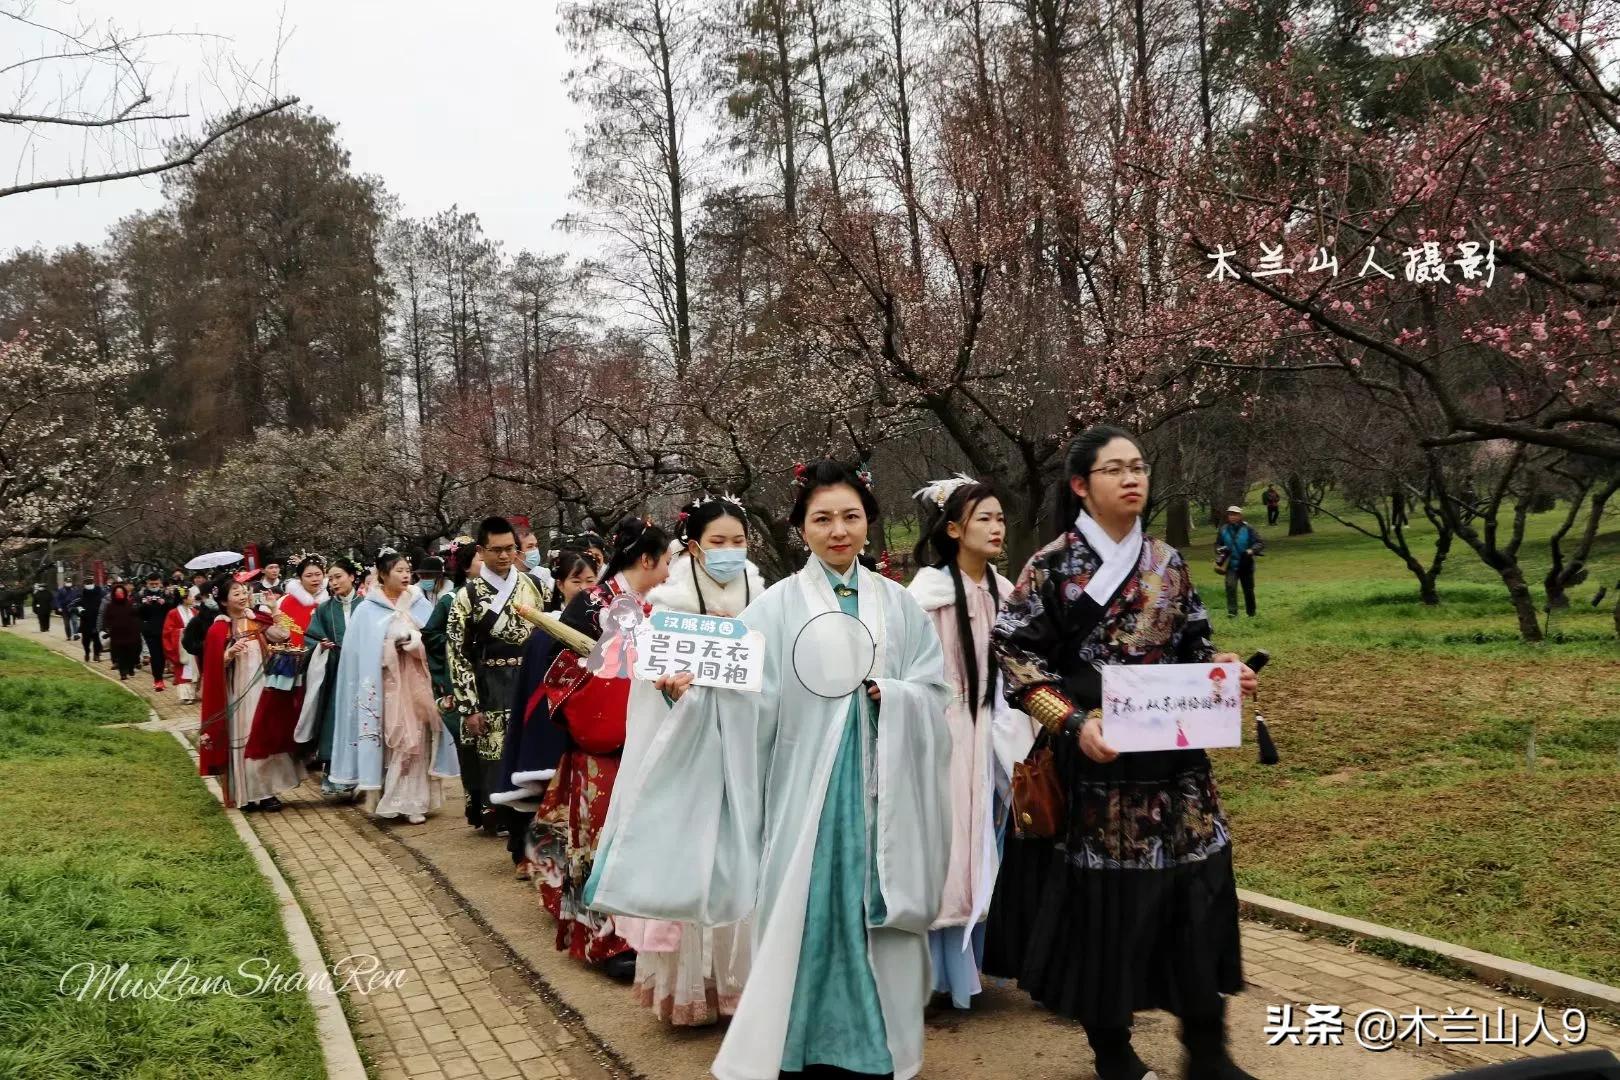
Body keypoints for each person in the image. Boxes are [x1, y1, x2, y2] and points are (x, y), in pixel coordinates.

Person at [588, 460, 953, 1080]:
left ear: (869, 521)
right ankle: (797, 1041)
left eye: (851, 516)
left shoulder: (899, 604)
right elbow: (737, 695)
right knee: (803, 911)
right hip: (800, 791)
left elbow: (932, 688)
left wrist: (893, 695)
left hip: (879, 785)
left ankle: (871, 1046)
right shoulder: (776, 607)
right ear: (801, 528)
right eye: (822, 518)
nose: (838, 530)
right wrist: (690, 693)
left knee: (870, 915)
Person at [983, 426, 1261, 1080]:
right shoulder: (1052, 564)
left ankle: (1207, 1049)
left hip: (1177, 763)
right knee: (1106, 907)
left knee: (1196, 894)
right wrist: (1072, 722)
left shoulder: (1167, 559)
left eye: (1138, 466)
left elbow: (1193, 643)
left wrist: (1221, 669)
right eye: (1115, 469)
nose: (1132, 478)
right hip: (1099, 760)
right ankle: (1112, 1051)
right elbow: (1013, 655)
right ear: (1082, 485)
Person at [607, 495, 762, 1025]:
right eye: (718, 542)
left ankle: (742, 986)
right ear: (693, 546)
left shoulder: (764, 598)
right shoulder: (668, 607)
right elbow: (649, 692)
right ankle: (690, 989)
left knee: (743, 861)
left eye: (738, 541)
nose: (729, 551)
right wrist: (673, 692)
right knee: (695, 861)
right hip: (689, 756)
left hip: (748, 752)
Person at [907, 475, 1034, 1011]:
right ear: (954, 529)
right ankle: (936, 973)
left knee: (990, 840)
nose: (997, 527)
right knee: (950, 847)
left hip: (998, 731)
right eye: (984, 518)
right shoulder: (926, 597)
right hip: (947, 733)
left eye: (1000, 517)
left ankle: (974, 964)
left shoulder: (1007, 593)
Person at [524, 516, 670, 976]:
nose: (670, 570)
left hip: (655, 739)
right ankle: (605, 942)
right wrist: (612, 676)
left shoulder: (665, 604)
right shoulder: (592, 605)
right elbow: (560, 673)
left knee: (648, 839)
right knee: (602, 841)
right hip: (604, 747)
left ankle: (649, 935)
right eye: (666, 561)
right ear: (646, 559)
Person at [335, 549, 459, 824]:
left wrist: (415, 642)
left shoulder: (418, 602)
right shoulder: (367, 609)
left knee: (417, 738)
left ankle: (413, 800)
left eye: (407, 570)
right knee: (393, 739)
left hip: (418, 683)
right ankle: (389, 795)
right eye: (399, 571)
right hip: (385, 685)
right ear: (382, 574)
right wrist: (390, 645)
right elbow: (359, 653)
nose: (405, 576)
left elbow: (435, 640)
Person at [447, 516, 549, 835]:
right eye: (496, 550)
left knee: (530, 745)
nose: (504, 556)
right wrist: (469, 706)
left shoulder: (535, 585)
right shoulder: (467, 595)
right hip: (490, 681)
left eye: (510, 549)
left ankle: (534, 808)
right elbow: (457, 652)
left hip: (530, 677)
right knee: (493, 749)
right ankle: (496, 812)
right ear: (481, 550)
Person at [197, 572, 298, 811]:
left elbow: (284, 634)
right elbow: (212, 668)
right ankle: (248, 794)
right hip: (237, 691)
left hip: (262, 687)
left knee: (263, 733)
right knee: (244, 735)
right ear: (224, 601)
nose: (243, 597)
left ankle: (267, 792)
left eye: (244, 592)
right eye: (236, 593)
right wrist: (229, 654)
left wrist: (274, 609)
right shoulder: (218, 630)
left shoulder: (258, 620)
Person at [245, 554, 324, 797]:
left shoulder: (328, 600)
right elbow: (282, 633)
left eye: (318, 574)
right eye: (309, 575)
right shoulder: (287, 602)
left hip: (323, 663)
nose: (315, 579)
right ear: (300, 578)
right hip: (294, 667)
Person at [301, 558, 363, 796]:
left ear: (352, 577)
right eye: (331, 578)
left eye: (339, 577)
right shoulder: (325, 609)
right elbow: (311, 638)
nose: (334, 582)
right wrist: (321, 646)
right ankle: (338, 777)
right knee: (337, 720)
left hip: (364, 672)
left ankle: (366, 775)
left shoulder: (366, 605)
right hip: (336, 673)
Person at [1215, 505, 1265, 618]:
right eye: (1230, 514)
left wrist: (1252, 550)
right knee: (1230, 587)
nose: (1232, 516)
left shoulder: (1248, 528)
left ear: (1240, 516)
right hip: (1230, 564)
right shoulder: (1223, 529)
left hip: (1246, 563)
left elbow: (1260, 543)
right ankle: (1232, 612)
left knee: (1248, 590)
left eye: (1235, 514)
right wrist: (1219, 550)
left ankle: (1251, 613)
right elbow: (1218, 544)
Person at [136, 572, 175, 690]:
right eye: (151, 584)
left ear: (160, 583)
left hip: (164, 629)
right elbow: (136, 612)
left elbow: (172, 607)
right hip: (150, 631)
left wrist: (165, 602)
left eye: (156, 583)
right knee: (155, 654)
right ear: (147, 583)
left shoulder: (166, 594)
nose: (154, 586)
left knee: (162, 655)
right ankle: (158, 679)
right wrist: (145, 604)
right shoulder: (141, 595)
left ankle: (160, 677)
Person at [163, 588, 202, 704]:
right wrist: (182, 631)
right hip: (181, 647)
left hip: (193, 645)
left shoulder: (194, 611)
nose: (192, 598)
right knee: (184, 670)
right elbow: (168, 631)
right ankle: (185, 696)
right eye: (190, 596)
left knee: (194, 669)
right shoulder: (173, 613)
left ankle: (192, 693)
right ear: (184, 599)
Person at [102, 583, 143, 679]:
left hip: (130, 634)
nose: (119, 594)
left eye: (121, 592)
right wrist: (108, 628)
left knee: (131, 652)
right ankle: (123, 672)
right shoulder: (110, 606)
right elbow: (107, 618)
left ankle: (130, 668)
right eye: (117, 592)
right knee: (120, 654)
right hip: (117, 634)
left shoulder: (130, 604)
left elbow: (136, 616)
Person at [519, 526, 557, 596]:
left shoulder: (544, 573)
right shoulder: (508, 575)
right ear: (516, 551)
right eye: (530, 546)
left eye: (536, 546)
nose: (535, 550)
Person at [75, 579, 104, 659]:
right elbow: (77, 605)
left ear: (93, 583)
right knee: (86, 641)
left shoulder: (99, 593)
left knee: (96, 639)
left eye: (90, 583)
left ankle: (96, 655)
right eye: (87, 583)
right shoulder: (82, 594)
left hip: (96, 620)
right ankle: (87, 652)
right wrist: (80, 611)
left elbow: (103, 605)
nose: (89, 585)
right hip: (85, 621)